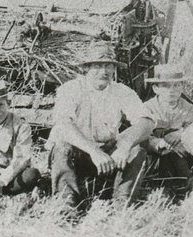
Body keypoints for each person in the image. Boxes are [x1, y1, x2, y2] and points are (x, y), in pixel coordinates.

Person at [47, 45, 154, 210]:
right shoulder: (71, 89)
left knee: (136, 149)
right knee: (62, 146)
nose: (104, 71)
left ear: (114, 69)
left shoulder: (121, 91)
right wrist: (93, 151)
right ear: (87, 68)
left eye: (109, 66)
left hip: (108, 155)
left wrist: (125, 146)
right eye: (97, 66)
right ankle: (66, 206)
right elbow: (63, 125)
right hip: (79, 155)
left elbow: (146, 122)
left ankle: (122, 204)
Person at [141, 63, 193, 194]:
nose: (171, 90)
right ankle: (188, 182)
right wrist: (158, 143)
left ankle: (168, 187)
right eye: (166, 86)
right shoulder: (147, 108)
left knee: (173, 150)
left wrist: (180, 134)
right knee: (166, 151)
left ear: (182, 88)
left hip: (182, 153)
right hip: (155, 155)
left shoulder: (190, 108)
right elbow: (142, 133)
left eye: (176, 85)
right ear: (156, 88)